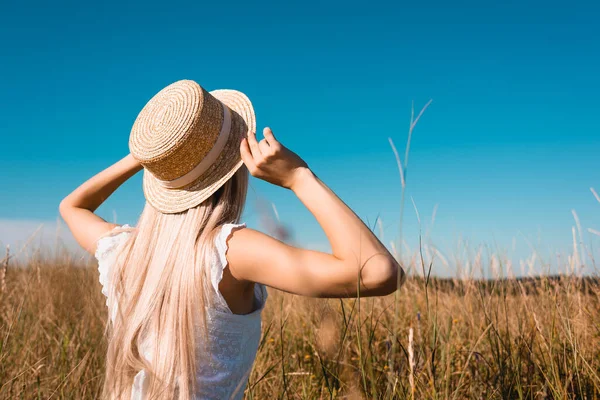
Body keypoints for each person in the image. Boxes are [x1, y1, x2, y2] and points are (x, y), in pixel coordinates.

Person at [59, 80, 404, 400]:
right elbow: (377, 273)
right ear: (233, 170)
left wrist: (147, 157)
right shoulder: (229, 251)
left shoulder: (124, 251)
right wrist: (299, 177)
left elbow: (72, 206)